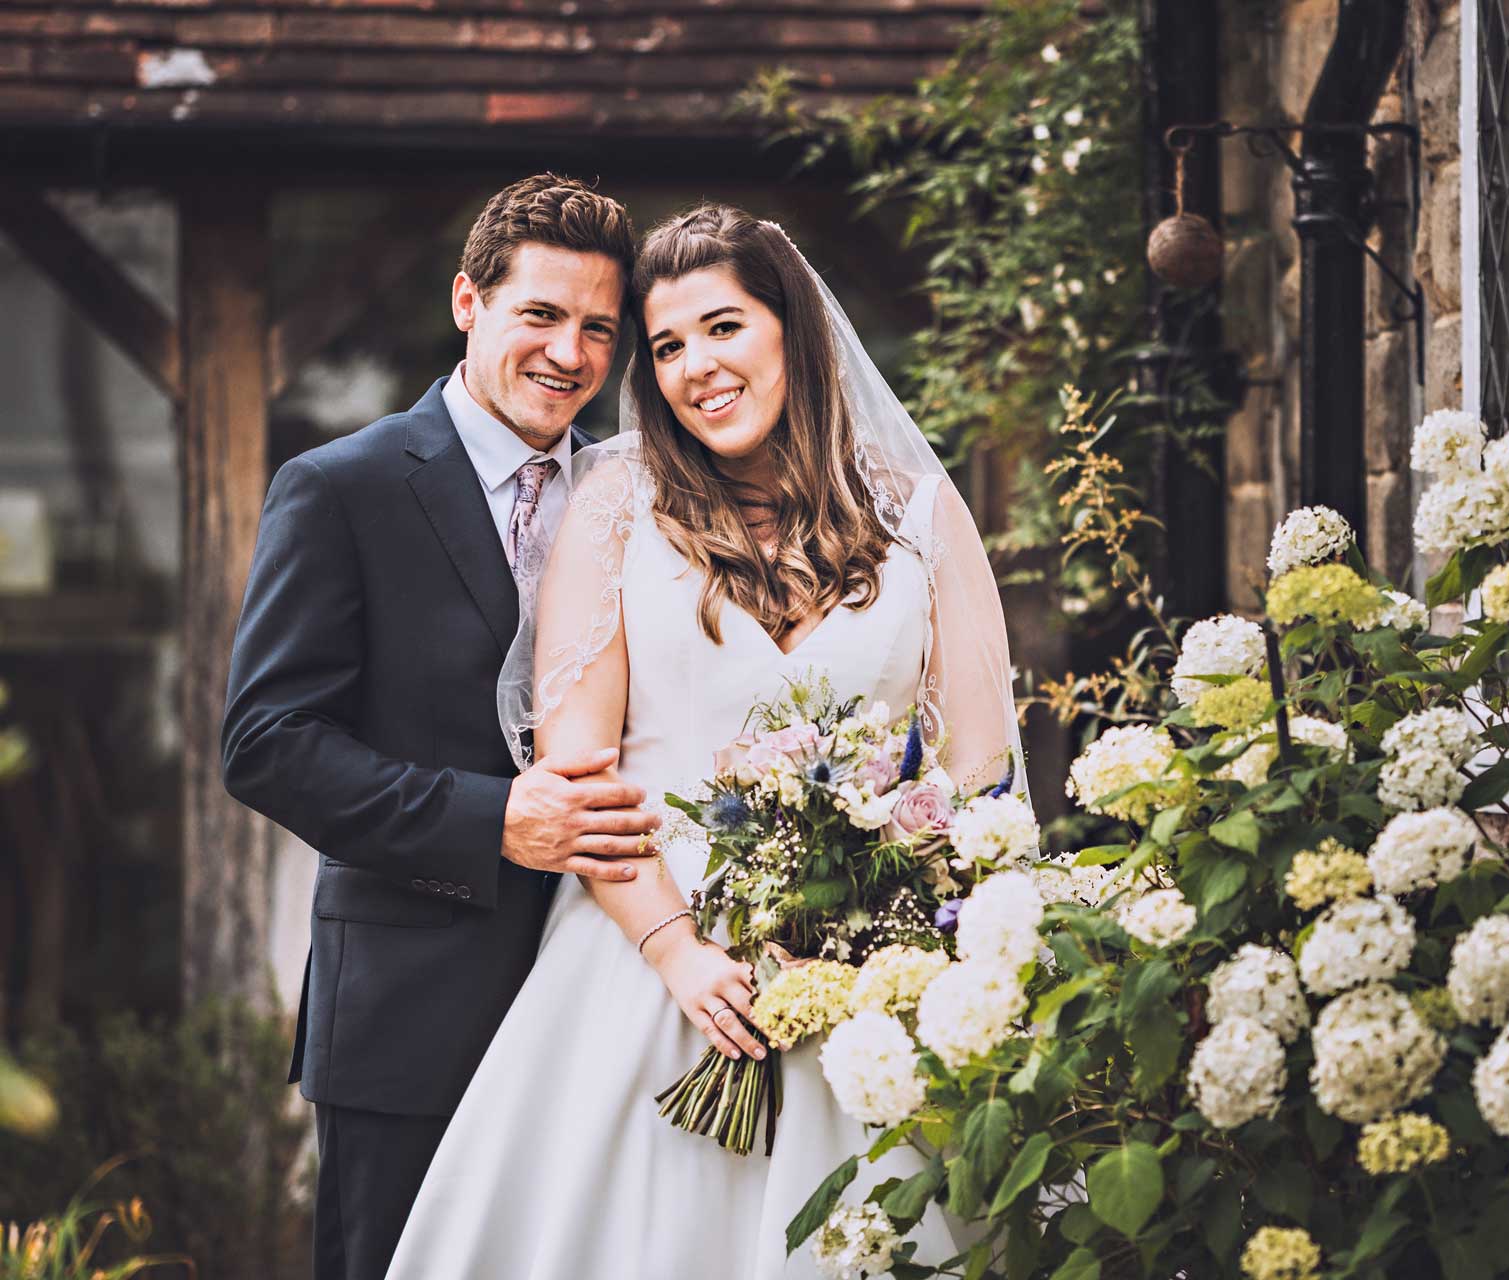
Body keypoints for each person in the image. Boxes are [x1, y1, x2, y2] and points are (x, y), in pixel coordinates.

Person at [386, 205, 1025, 1277]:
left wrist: (901, 933)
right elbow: (575, 773)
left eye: (723, 327)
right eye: (668, 345)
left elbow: (981, 773)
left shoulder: (919, 511)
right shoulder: (614, 504)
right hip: (646, 965)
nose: (696, 367)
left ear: (793, 330)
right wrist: (679, 952)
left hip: (874, 979)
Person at [221, 174, 662, 1280]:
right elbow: (267, 739)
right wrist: (494, 818)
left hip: (614, 999)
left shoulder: (644, 496)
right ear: (468, 300)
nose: (570, 352)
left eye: (599, 328)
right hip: (412, 1010)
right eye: (541, 315)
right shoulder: (340, 486)